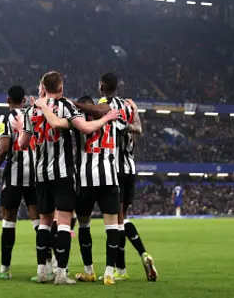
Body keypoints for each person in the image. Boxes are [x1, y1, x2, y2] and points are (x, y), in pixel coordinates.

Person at [21, 71, 120, 285]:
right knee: (64, 223)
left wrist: (23, 127)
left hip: (40, 174)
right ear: (61, 87)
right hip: (62, 173)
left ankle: (41, 271)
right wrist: (106, 118)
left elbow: (21, 143)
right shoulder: (65, 105)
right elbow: (84, 127)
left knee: (45, 223)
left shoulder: (31, 110)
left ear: (43, 87)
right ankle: (61, 274)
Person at [73, 73, 156, 282]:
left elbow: (98, 117)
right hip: (129, 167)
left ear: (101, 87)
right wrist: (128, 119)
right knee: (120, 220)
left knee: (116, 222)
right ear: (118, 86)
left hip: (112, 166)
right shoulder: (128, 106)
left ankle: (120, 269)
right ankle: (135, 258)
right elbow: (137, 130)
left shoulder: (102, 106)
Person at [0, 85, 39, 280]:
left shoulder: (5, 118)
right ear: (24, 100)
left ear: (8, 100)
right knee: (38, 220)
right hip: (34, 172)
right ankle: (47, 267)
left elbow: (3, 148)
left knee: (9, 219)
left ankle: (4, 269)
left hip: (15, 171)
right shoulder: (33, 116)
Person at [69, 96, 122, 286]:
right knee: (112, 226)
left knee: (84, 225)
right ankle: (109, 273)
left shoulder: (78, 122)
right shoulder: (112, 117)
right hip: (109, 179)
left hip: (86, 180)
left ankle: (89, 271)